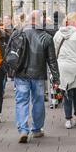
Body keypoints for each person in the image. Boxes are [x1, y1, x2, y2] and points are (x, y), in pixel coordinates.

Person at [12, 10, 60, 143]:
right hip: (38, 74)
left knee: (21, 101)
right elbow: (52, 60)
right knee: (38, 101)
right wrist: (56, 78)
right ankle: (37, 129)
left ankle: (23, 129)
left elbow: (9, 54)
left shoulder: (18, 33)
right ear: (41, 21)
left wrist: (10, 71)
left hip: (21, 73)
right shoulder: (46, 37)